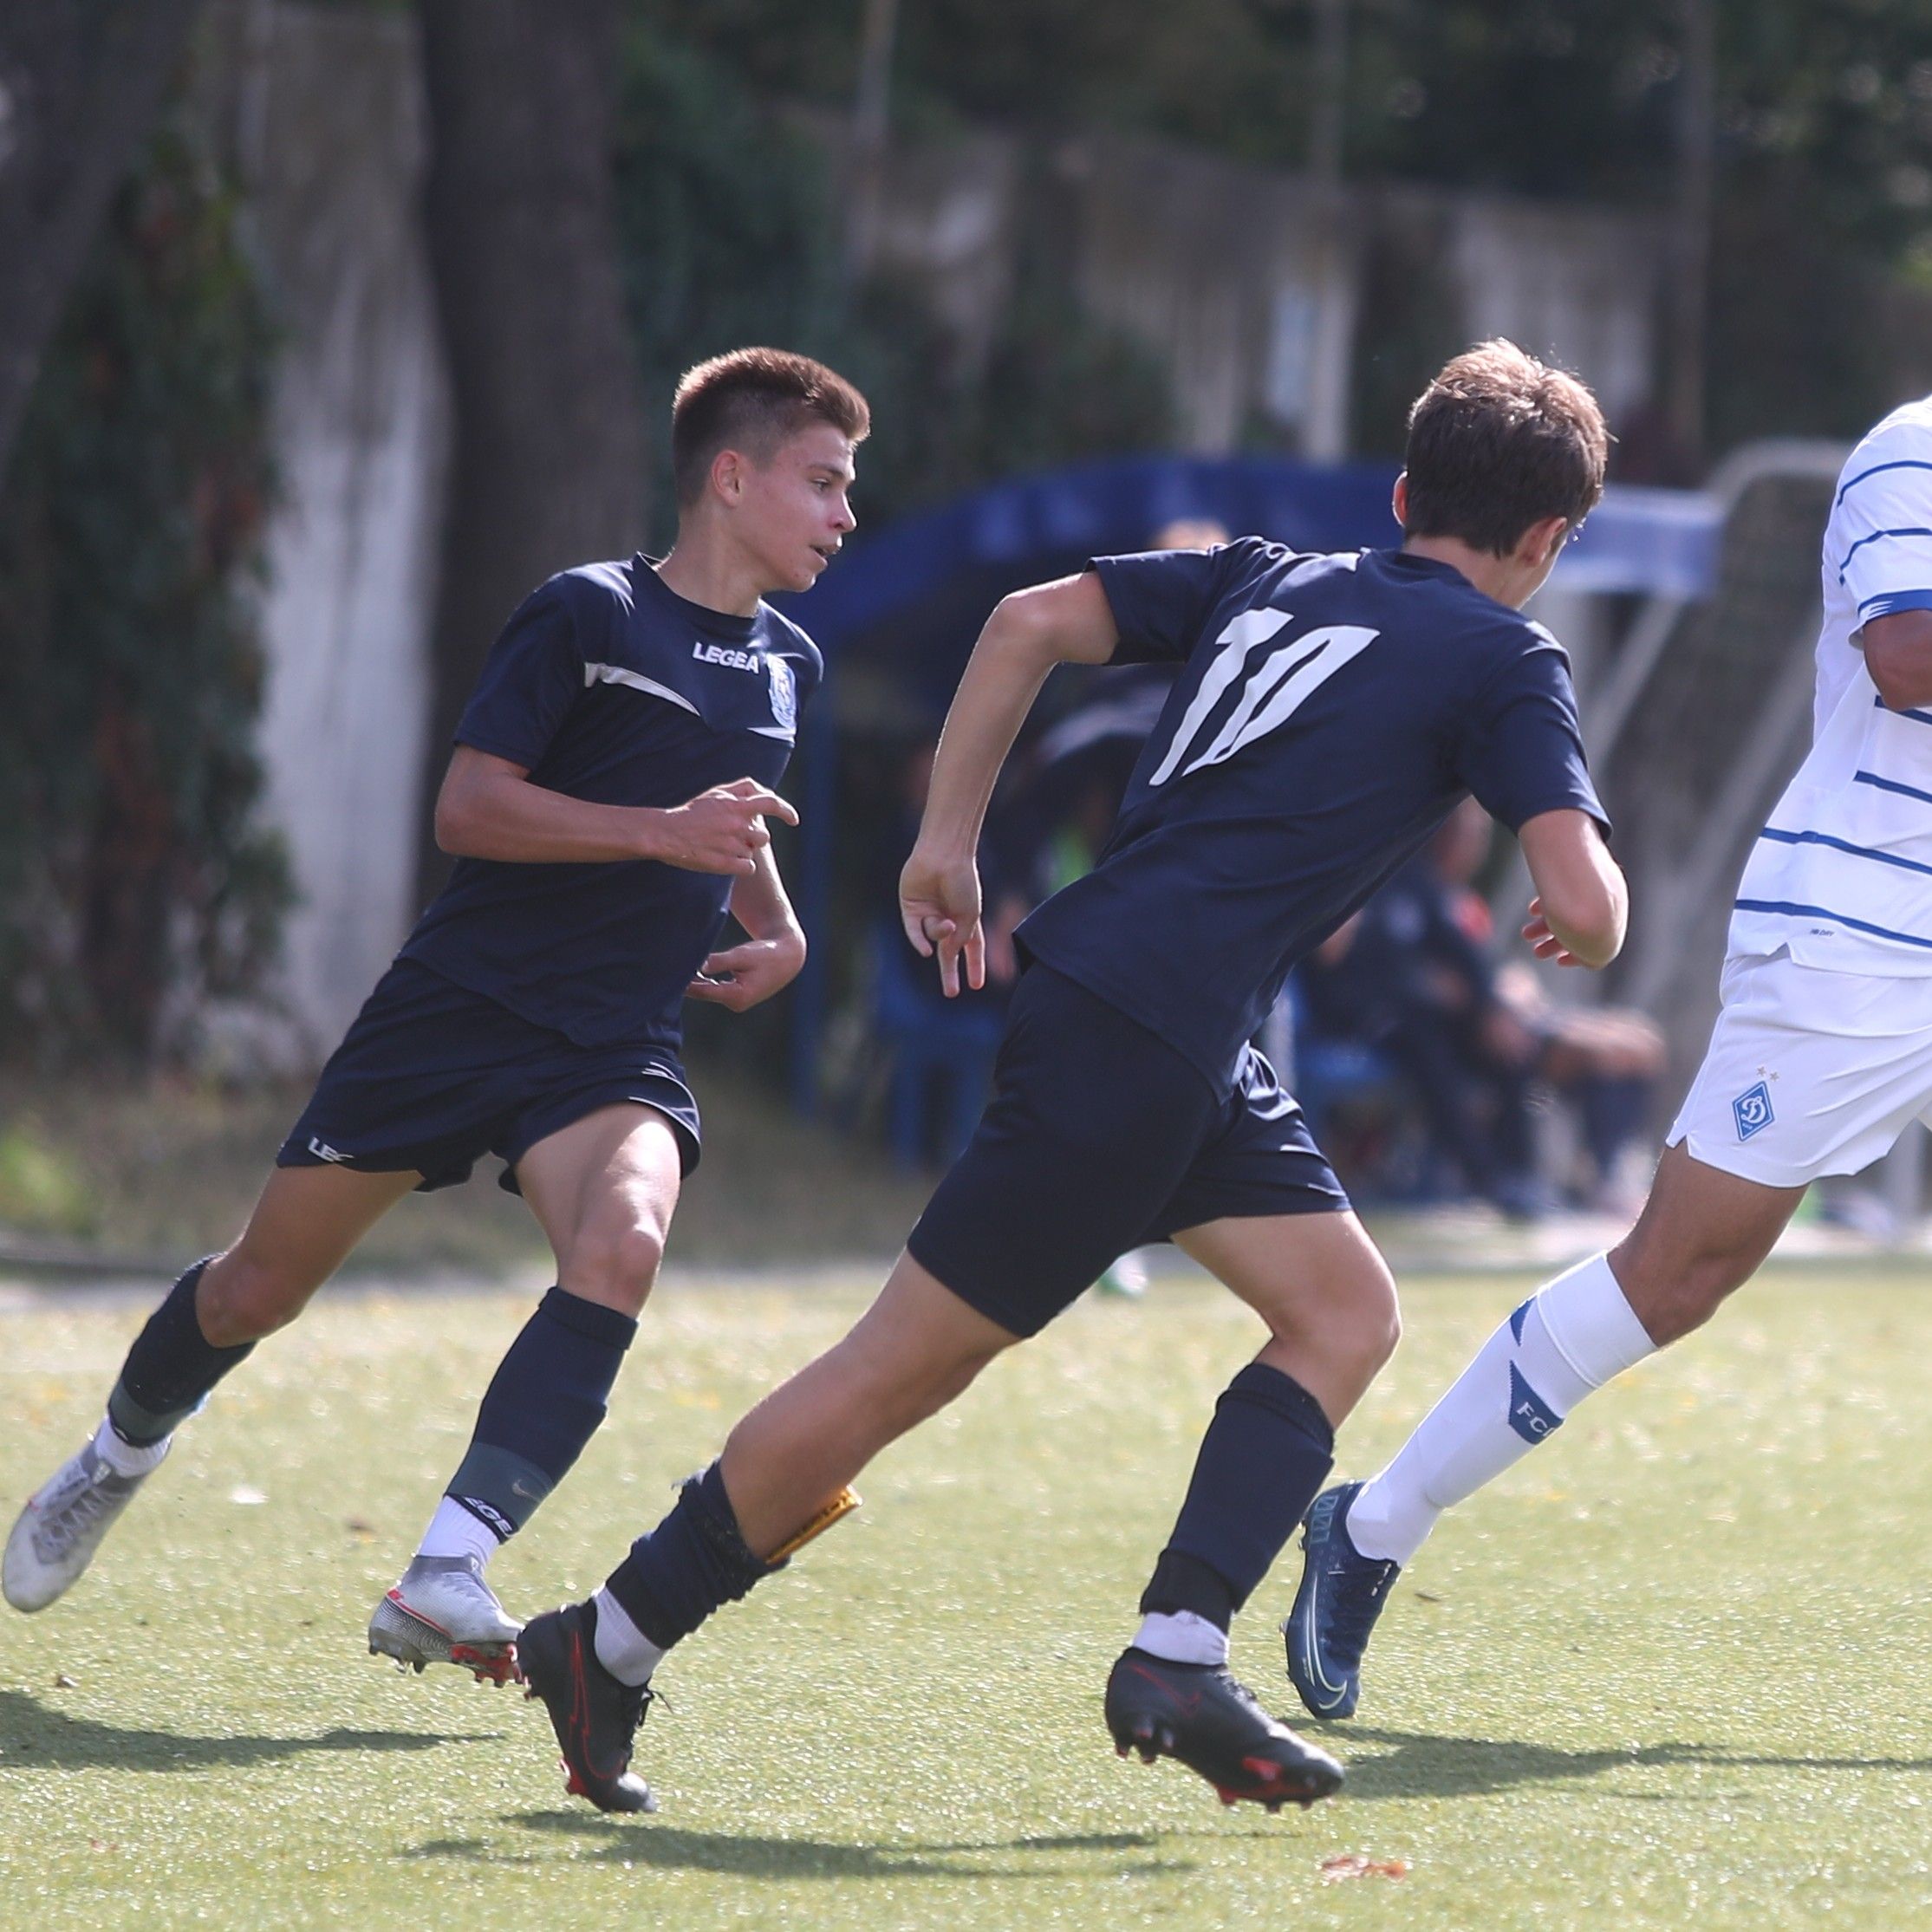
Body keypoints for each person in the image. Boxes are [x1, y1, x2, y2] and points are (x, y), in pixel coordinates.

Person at [511, 339, 1626, 1817]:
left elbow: (1030, 617)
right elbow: (1589, 908)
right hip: (1142, 1028)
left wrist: (944, 840)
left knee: (1343, 1310)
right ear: (1548, 539)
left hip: (1163, 1022)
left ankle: (1175, 1647)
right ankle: (611, 1636)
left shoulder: (1274, 573)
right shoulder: (1507, 656)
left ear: (1407, 487)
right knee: (898, 1367)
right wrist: (1584, 898)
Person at [3, 348, 868, 1687]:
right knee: (256, 1287)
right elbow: (469, 808)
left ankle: (446, 1568)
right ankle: (117, 1452)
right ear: (732, 476)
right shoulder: (588, 614)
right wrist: (657, 831)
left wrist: (775, 917)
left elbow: (731, 808)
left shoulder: (791, 662)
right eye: (821, 482)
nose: (842, 514)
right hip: (459, 1012)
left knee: (625, 1238)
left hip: (612, 1042)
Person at [1287, 389, 1932, 1722]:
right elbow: (1903, 655)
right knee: (1674, 1272)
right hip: (1866, 932)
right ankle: (1373, 1525)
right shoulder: (1909, 449)